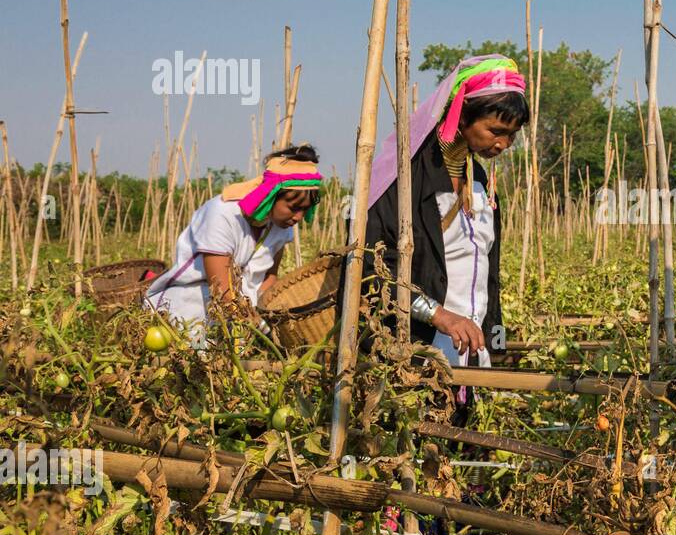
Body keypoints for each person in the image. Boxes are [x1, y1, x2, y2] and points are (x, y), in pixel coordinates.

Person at [365, 55, 528, 387]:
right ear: (463, 114)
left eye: (512, 135)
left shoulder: (480, 182)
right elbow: (372, 269)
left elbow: (489, 273)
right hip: (415, 355)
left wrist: (496, 344)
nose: (504, 144)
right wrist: (439, 315)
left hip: (473, 354)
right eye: (496, 131)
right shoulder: (404, 179)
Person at [144, 145, 323, 337]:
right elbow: (221, 292)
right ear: (270, 196)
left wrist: (269, 312)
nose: (298, 217)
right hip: (193, 302)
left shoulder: (281, 226)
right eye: (293, 207)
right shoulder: (222, 215)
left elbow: (270, 276)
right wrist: (257, 326)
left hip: (246, 314)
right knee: (199, 350)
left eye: (305, 210)